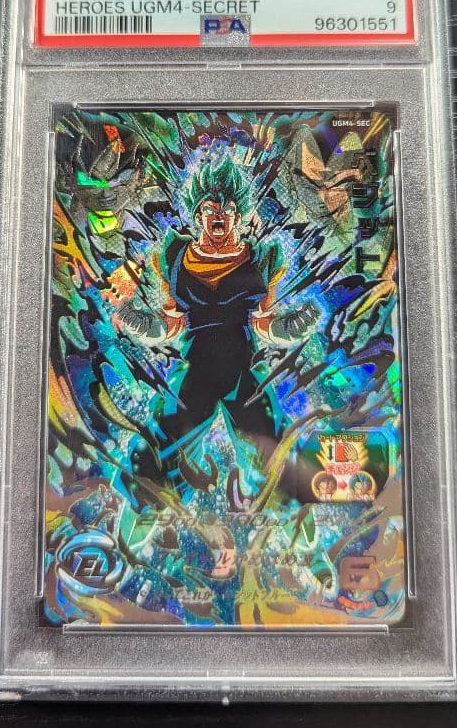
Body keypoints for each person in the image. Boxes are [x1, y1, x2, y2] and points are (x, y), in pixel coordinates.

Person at [117, 155, 318, 490]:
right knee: (161, 453)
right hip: (194, 370)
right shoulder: (174, 255)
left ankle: (283, 508)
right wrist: (142, 325)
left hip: (244, 370)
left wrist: (290, 327)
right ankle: (145, 510)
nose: (219, 215)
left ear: (238, 216)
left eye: (227, 209)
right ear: (198, 216)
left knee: (273, 453)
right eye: (210, 209)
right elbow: (171, 323)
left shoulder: (262, 257)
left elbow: (263, 322)